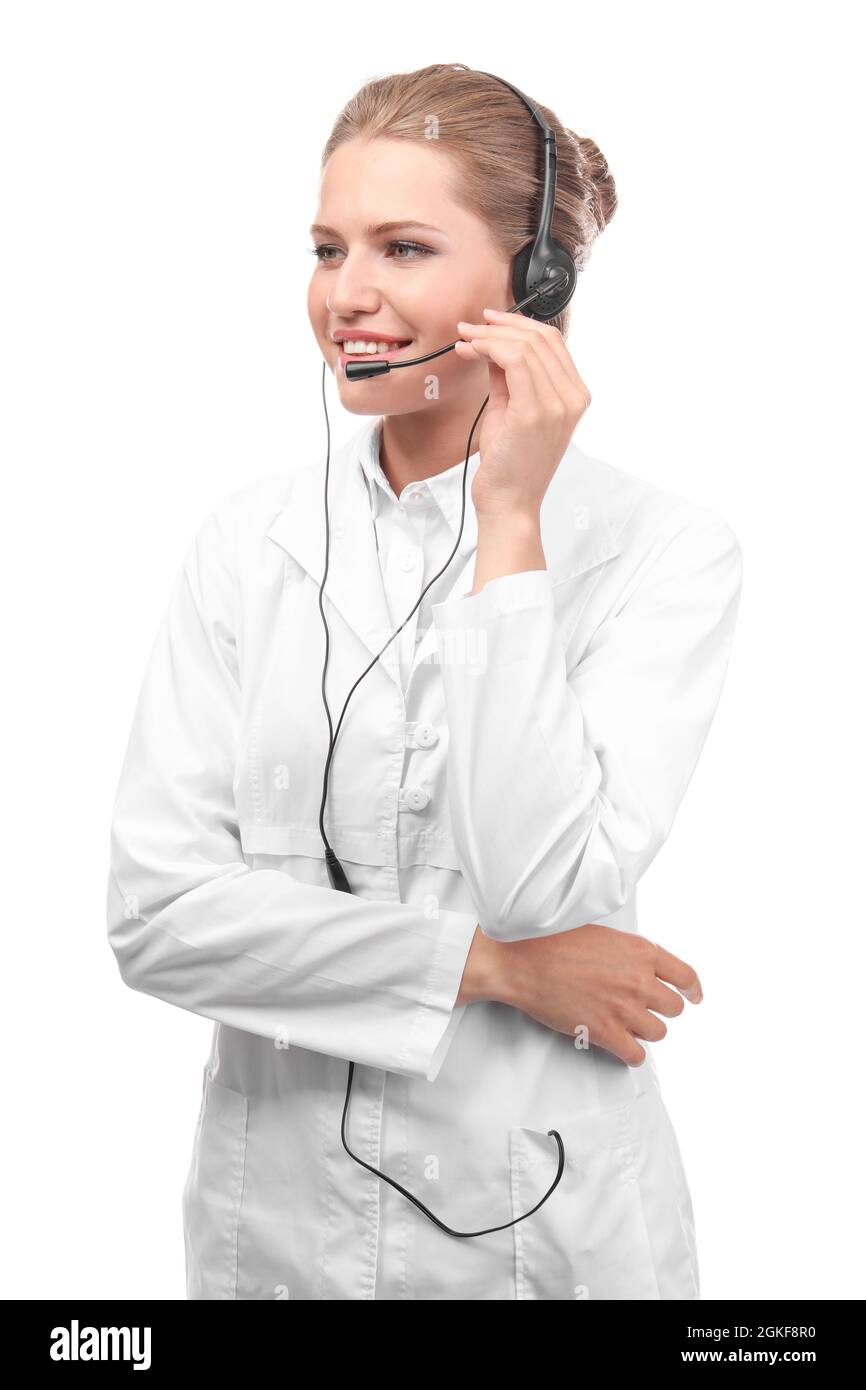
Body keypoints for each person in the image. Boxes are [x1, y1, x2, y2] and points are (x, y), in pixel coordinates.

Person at [107, 63, 743, 1301]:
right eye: (326, 247)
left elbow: (545, 880)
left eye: (402, 248)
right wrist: (498, 969)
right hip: (273, 1233)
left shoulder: (662, 551)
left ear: (536, 283)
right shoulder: (248, 544)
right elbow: (157, 917)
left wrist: (510, 527)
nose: (348, 296)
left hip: (543, 1227)